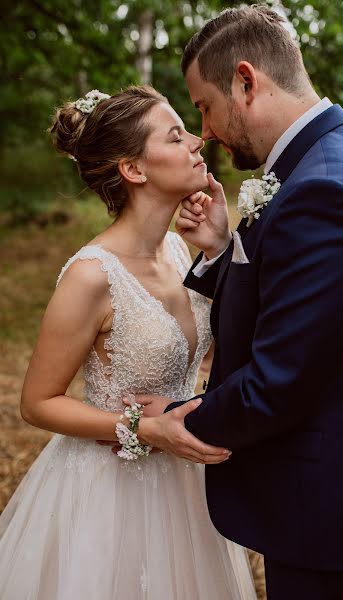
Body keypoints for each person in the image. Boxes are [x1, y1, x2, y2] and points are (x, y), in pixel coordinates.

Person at [129, 6, 343, 600]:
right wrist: (227, 248)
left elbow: (282, 380)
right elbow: (300, 302)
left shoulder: (324, 189)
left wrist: (169, 422)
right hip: (338, 486)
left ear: (246, 82)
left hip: (331, 504)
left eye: (203, 106)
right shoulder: (333, 155)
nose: (204, 131)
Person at [0, 85, 256, 600]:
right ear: (134, 170)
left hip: (184, 489)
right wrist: (143, 427)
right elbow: (37, 403)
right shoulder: (92, 276)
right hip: (108, 495)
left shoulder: (181, 250)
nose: (196, 143)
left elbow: (225, 348)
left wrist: (220, 250)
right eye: (176, 135)